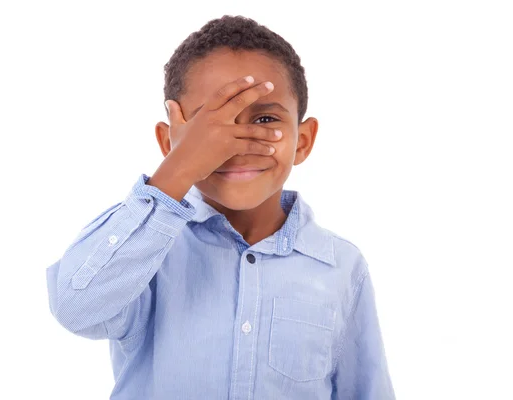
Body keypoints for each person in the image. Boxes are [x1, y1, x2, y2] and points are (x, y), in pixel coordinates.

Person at [46, 14, 396, 400]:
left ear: (303, 140)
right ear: (169, 142)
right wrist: (179, 168)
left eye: (265, 119)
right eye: (208, 126)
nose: (237, 143)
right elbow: (75, 307)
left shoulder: (341, 267)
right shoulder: (144, 254)